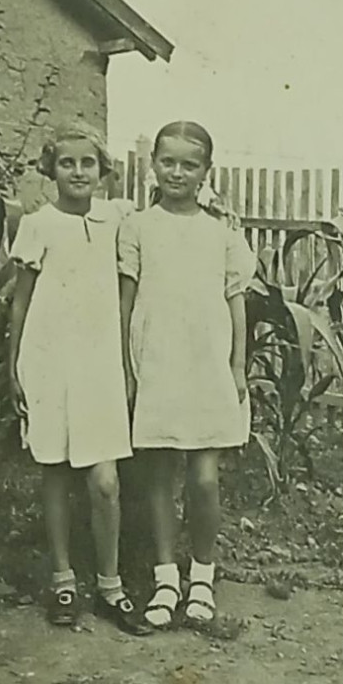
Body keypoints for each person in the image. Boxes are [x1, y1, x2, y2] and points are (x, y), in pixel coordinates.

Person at [8, 121, 152, 636]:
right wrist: (13, 366)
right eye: (66, 163)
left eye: (87, 163)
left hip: (99, 365)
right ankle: (63, 578)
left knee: (105, 482)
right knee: (53, 467)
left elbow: (162, 214)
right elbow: (21, 301)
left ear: (103, 169)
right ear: (51, 169)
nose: (77, 172)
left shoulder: (117, 217)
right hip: (48, 358)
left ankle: (111, 584)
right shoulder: (38, 224)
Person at [118, 121, 256, 628]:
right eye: (168, 161)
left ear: (206, 172)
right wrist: (127, 368)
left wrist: (238, 366)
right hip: (155, 361)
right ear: (152, 164)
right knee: (159, 475)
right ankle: (164, 579)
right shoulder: (136, 227)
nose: (177, 172)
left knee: (202, 478)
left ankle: (202, 575)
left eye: (189, 164)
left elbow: (236, 304)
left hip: (207, 365)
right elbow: (126, 301)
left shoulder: (222, 232)